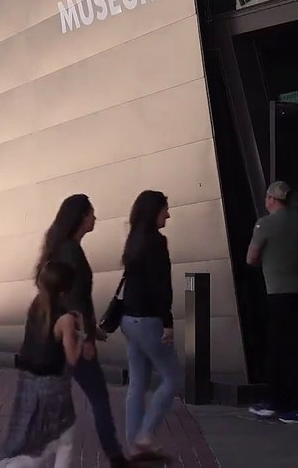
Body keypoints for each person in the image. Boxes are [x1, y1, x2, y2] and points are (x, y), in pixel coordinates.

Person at [36, 195, 133, 468]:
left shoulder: (61, 249)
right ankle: (116, 458)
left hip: (63, 333)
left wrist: (92, 330)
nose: (95, 218)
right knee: (98, 397)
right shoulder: (71, 251)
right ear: (80, 217)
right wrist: (87, 337)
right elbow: (76, 298)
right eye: (91, 213)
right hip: (73, 338)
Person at [246, 180, 298, 424]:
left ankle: (285, 404)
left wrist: (270, 263)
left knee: (279, 349)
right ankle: (287, 402)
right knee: (297, 348)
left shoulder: (264, 223)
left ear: (271, 199)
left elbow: (251, 258)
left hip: (277, 293)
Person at [0, 261, 83, 467]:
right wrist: (82, 334)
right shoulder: (65, 320)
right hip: (53, 387)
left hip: (28, 382)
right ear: (64, 292)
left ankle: (0, 464)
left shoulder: (37, 305)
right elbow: (73, 357)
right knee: (53, 440)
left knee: (27, 435)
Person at [119, 191, 180, 462]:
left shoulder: (134, 240)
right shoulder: (156, 242)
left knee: (138, 382)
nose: (168, 214)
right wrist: (167, 321)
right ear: (154, 211)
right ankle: (145, 435)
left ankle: (133, 443)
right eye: (165, 209)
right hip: (148, 321)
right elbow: (160, 286)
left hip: (128, 320)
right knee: (172, 377)